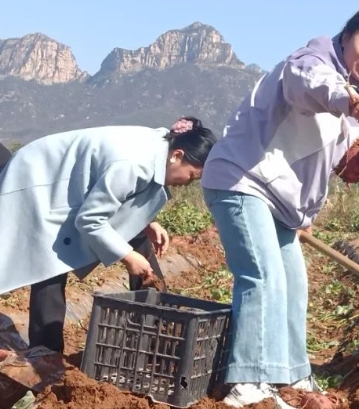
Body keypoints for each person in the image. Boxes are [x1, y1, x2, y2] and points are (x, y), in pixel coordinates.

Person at [201, 3, 359, 409]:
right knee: (262, 277)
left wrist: (352, 156)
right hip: (244, 180)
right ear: (346, 37)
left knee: (294, 283)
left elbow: (320, 159)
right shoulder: (312, 62)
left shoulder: (356, 99)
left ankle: (292, 374)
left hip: (279, 201)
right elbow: (308, 84)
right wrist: (346, 100)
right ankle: (248, 384)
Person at [0, 117, 217, 353]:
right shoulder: (134, 163)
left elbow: (121, 194)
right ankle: (45, 353)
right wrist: (127, 256)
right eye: (192, 176)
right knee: (51, 263)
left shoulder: (160, 148)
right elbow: (90, 219)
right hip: (38, 182)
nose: (187, 184)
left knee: (139, 240)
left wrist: (147, 223)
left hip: (68, 188)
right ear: (177, 155)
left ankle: (154, 325)